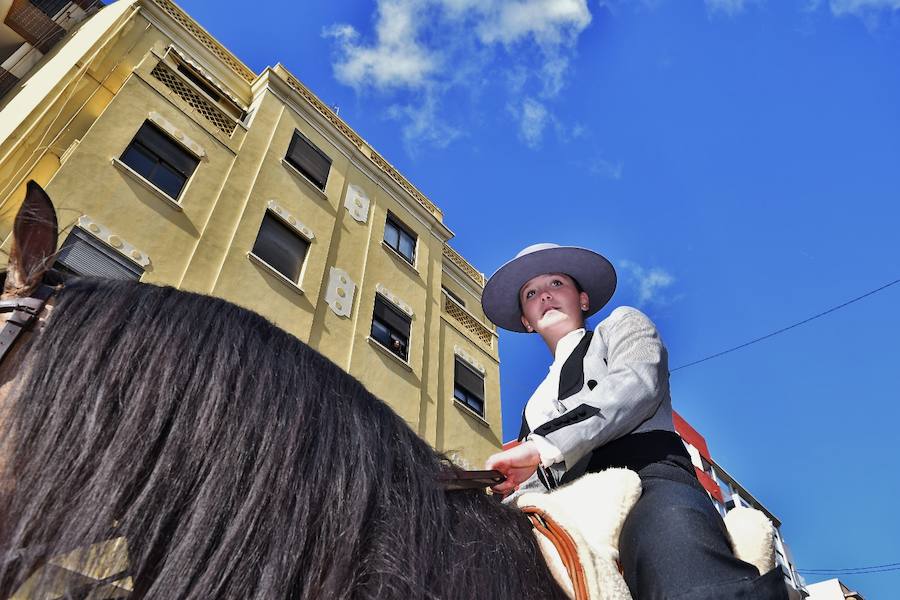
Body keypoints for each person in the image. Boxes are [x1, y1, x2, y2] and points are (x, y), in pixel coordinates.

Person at [482, 243, 788, 599]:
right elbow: (532, 483)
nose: (545, 296)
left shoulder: (622, 325)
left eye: (556, 284)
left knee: (676, 558)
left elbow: (636, 384)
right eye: (531, 293)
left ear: (583, 300)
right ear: (526, 321)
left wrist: (542, 447)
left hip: (647, 477)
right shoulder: (533, 404)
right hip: (564, 508)